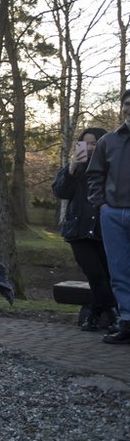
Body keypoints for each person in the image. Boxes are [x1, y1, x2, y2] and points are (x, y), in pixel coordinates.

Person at [53, 128, 117, 332]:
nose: (89, 148)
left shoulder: (112, 168)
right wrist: (72, 168)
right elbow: (61, 192)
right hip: (78, 231)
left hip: (105, 229)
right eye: (86, 143)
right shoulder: (72, 169)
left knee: (106, 276)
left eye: (95, 143)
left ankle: (94, 314)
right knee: (95, 274)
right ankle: (114, 314)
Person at [87, 89, 130, 344]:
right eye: (126, 103)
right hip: (112, 214)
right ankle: (126, 321)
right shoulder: (108, 141)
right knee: (119, 272)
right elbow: (94, 175)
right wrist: (101, 205)